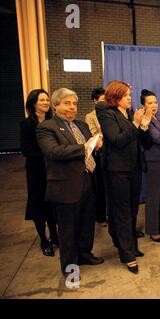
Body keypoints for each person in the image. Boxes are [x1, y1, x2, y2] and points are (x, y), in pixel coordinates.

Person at [36, 88, 104, 277]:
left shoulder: (81, 125)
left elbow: (88, 150)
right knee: (68, 231)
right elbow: (54, 152)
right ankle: (70, 268)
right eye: (67, 103)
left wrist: (96, 145)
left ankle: (84, 255)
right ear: (55, 105)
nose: (72, 107)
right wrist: (85, 147)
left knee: (86, 224)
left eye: (74, 103)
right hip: (65, 187)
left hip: (87, 181)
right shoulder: (46, 127)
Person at [95, 80, 147, 274]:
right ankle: (127, 255)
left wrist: (143, 127)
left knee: (133, 208)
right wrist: (135, 124)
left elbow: (136, 139)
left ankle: (129, 245)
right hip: (117, 169)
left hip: (134, 167)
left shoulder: (131, 112)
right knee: (122, 211)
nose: (129, 99)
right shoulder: (106, 111)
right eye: (126, 96)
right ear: (116, 97)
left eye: (130, 95)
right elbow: (117, 140)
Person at [20, 89, 58, 257]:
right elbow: (27, 150)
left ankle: (55, 236)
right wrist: (49, 152)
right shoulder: (27, 124)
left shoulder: (53, 121)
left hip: (54, 169)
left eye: (47, 99)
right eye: (41, 99)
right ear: (33, 103)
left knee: (52, 203)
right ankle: (44, 240)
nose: (45, 102)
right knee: (39, 205)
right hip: (36, 171)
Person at [139, 89, 160, 243]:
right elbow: (158, 138)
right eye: (150, 103)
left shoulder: (159, 117)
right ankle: (153, 229)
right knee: (153, 195)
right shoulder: (143, 118)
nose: (153, 105)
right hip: (152, 160)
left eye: (155, 102)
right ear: (143, 105)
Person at [85, 87, 107, 227]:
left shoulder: (112, 113)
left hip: (112, 152)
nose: (105, 103)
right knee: (100, 186)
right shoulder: (90, 116)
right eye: (102, 100)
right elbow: (94, 135)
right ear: (95, 101)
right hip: (99, 153)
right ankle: (100, 216)